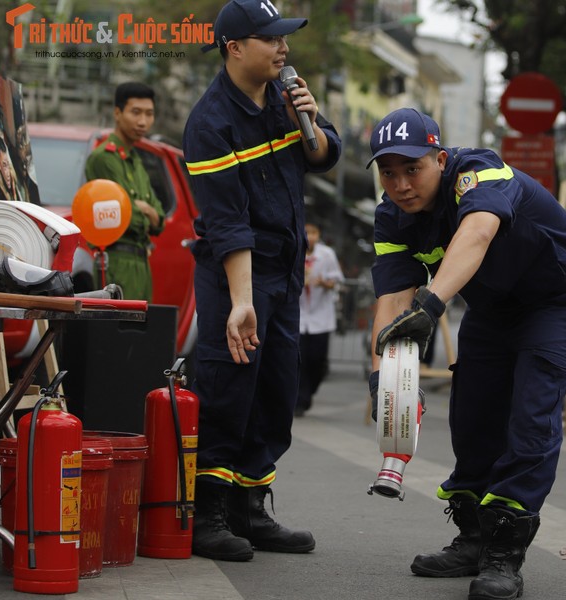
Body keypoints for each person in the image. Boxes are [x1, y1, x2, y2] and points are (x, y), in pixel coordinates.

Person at [367, 108, 566, 600]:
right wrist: (381, 379)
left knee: (530, 415)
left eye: (413, 168)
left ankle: (504, 555)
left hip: (554, 295)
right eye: (389, 172)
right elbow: (390, 300)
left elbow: (476, 233)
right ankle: (473, 538)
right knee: (471, 413)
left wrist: (431, 306)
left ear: (441, 159)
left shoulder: (479, 172)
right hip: (494, 305)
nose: (401, 184)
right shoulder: (391, 216)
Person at [182, 0, 341, 562]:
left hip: (284, 269)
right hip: (236, 276)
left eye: (285, 38)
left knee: (276, 388)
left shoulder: (283, 98)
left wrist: (311, 121)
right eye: (272, 39)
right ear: (234, 48)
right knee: (229, 387)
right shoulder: (210, 124)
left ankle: (251, 506)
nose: (284, 48)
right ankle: (209, 514)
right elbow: (227, 224)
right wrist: (242, 303)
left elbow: (323, 156)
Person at [84, 82, 166, 301]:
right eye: (135, 112)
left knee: (141, 333)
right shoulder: (103, 158)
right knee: (118, 333)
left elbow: (160, 220)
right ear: (117, 113)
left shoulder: (136, 160)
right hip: (116, 262)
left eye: (149, 114)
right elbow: (120, 215)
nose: (143, 121)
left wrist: (145, 209)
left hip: (141, 263)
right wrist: (144, 212)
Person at [295, 222, 344, 417]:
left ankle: (310, 390)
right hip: (298, 317)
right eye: (306, 232)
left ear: (319, 234)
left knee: (317, 360)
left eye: (314, 232)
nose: (310, 236)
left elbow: (337, 280)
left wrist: (324, 282)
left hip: (321, 317)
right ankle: (299, 400)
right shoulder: (294, 250)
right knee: (299, 360)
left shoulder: (327, 254)